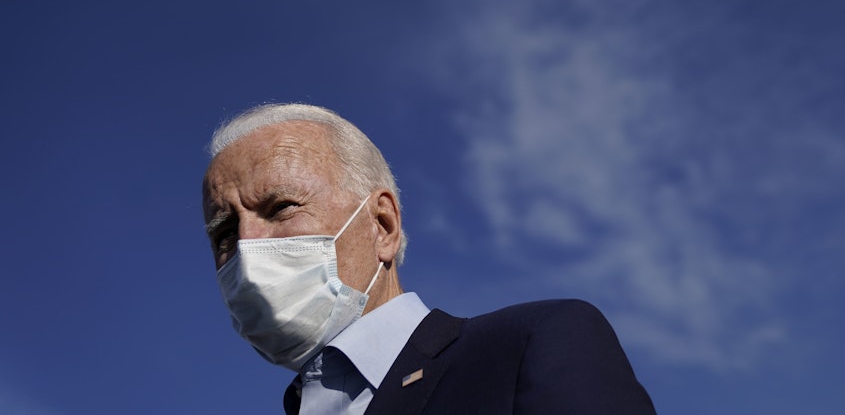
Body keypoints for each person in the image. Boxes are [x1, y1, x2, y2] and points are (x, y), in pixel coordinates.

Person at [201, 103, 657, 414]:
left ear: (382, 226)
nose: (247, 244)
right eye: (224, 232)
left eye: (280, 208)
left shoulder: (528, 346)